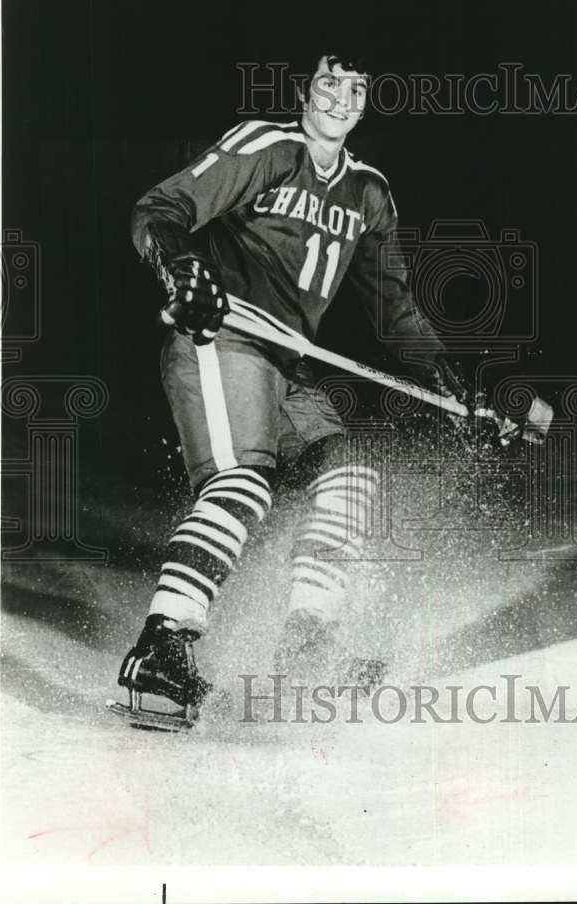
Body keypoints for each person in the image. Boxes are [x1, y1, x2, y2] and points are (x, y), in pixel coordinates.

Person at [111, 53, 466, 729]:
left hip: (289, 362)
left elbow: (393, 310)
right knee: (243, 483)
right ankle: (162, 644)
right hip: (223, 339)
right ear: (305, 91)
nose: (340, 97)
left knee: (350, 474)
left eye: (355, 87)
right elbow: (161, 208)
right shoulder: (269, 148)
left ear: (366, 102)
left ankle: (308, 643)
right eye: (329, 81)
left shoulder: (368, 192)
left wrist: (451, 379)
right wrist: (181, 266)